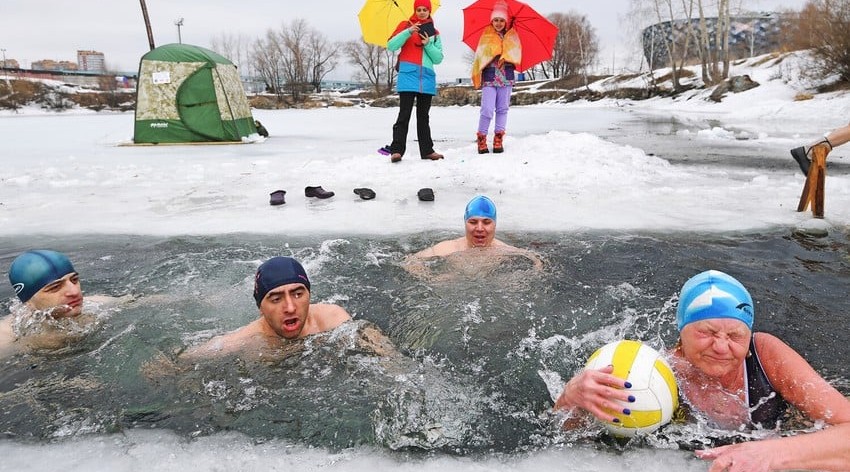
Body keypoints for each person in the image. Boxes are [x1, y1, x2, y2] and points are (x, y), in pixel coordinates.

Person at [554, 270, 850, 472]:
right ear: (682, 333)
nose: (721, 347)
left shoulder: (765, 355)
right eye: (707, 332)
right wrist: (572, 399)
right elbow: (567, 443)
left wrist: (771, 453)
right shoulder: (651, 377)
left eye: (735, 336)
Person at [181, 256, 351, 359]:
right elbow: (183, 360)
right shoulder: (243, 342)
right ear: (260, 307)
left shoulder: (333, 319)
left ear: (309, 295)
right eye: (276, 299)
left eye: (298, 294)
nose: (290, 308)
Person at [1, 249, 128, 358]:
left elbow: (141, 301)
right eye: (55, 287)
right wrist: (33, 345)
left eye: (74, 280)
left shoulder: (99, 304)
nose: (74, 291)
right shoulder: (5, 339)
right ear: (28, 302)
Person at [407, 195, 542, 268]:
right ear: (465, 223)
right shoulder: (449, 248)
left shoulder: (503, 250)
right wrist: (432, 280)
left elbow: (536, 260)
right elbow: (410, 262)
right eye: (473, 222)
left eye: (486, 222)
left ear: (495, 224)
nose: (479, 228)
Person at [386, 0, 445, 163]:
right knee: (404, 114)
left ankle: (427, 151)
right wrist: (408, 32)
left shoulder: (434, 32)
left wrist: (428, 45)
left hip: (426, 78)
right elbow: (390, 45)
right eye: (418, 9)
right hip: (408, 76)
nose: (421, 12)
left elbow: (438, 58)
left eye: (425, 9)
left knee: (423, 117)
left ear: (429, 11)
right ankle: (396, 150)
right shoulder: (405, 25)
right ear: (415, 10)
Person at [471, 0, 521, 154]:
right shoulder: (486, 36)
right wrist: (492, 56)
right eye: (496, 20)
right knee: (487, 109)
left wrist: (507, 56)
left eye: (501, 20)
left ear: (506, 21)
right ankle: (482, 138)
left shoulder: (512, 36)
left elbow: (517, 55)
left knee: (502, 108)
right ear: (491, 21)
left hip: (506, 76)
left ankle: (498, 138)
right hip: (490, 77)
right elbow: (480, 56)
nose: (498, 23)